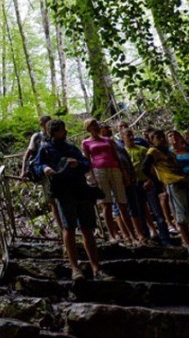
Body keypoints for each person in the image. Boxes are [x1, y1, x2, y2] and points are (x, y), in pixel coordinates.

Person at [34, 119, 109, 281]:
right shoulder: (45, 149)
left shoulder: (71, 148)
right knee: (69, 228)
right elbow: (37, 165)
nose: (65, 132)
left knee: (87, 228)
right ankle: (75, 268)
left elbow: (86, 163)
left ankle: (97, 268)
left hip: (81, 189)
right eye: (61, 129)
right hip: (62, 192)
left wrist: (78, 164)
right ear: (53, 132)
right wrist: (45, 168)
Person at [143, 129, 189, 259]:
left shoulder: (170, 153)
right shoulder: (153, 151)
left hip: (183, 181)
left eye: (162, 136)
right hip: (172, 184)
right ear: (152, 140)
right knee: (181, 216)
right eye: (157, 137)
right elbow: (145, 167)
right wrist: (158, 183)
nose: (161, 139)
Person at [82, 119, 135, 244]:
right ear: (88, 128)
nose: (96, 127)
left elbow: (116, 157)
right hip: (99, 172)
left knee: (122, 203)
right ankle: (113, 235)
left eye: (96, 124)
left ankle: (132, 235)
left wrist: (124, 174)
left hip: (115, 170)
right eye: (92, 125)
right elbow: (87, 161)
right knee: (106, 204)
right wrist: (91, 178)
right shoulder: (86, 142)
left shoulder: (108, 140)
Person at [122, 128, 171, 245]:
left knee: (157, 211)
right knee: (140, 213)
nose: (131, 137)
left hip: (148, 182)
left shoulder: (143, 149)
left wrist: (150, 180)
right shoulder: (124, 152)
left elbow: (152, 166)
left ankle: (165, 239)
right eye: (128, 135)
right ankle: (147, 238)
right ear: (123, 138)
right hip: (135, 185)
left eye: (132, 134)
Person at [20, 115, 62, 231]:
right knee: (52, 200)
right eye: (42, 122)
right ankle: (62, 229)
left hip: (59, 170)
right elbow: (28, 154)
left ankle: (67, 227)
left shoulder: (57, 136)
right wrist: (23, 171)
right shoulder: (38, 137)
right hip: (44, 171)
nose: (42, 124)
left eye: (44, 122)